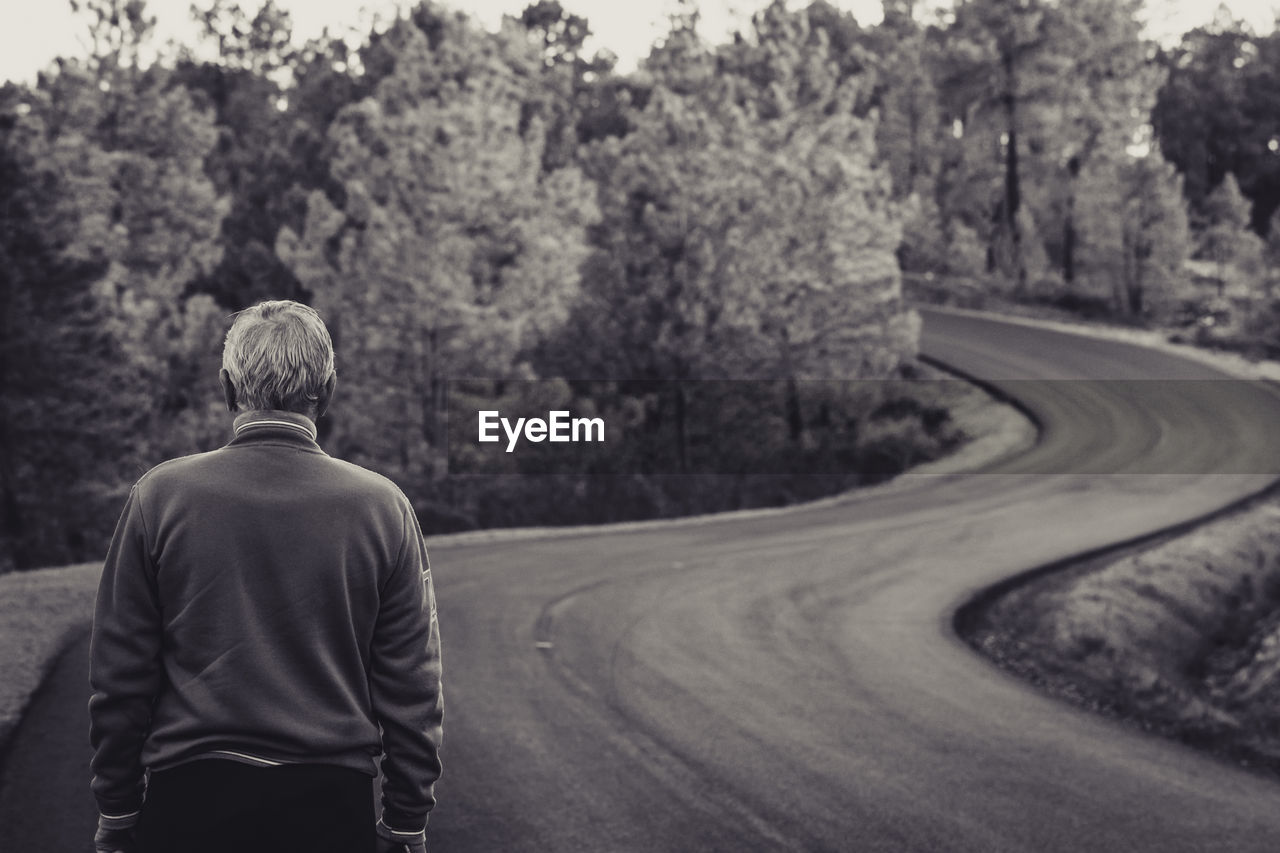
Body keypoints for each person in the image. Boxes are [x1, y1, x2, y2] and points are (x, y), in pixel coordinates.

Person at [88, 300, 443, 853]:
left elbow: (120, 671)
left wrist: (117, 804)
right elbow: (412, 684)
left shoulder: (160, 496)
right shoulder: (384, 508)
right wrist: (405, 818)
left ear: (229, 389)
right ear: (326, 391)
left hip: (189, 803)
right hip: (329, 806)